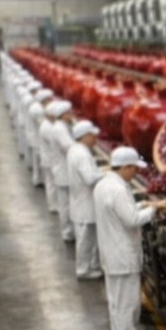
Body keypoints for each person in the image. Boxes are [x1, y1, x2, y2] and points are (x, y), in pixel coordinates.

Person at [94, 146, 166, 330]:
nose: (136, 173)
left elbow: (120, 211)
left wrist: (144, 204)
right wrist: (154, 210)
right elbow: (132, 220)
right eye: (134, 169)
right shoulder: (118, 189)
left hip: (112, 254)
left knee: (117, 304)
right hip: (122, 257)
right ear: (126, 167)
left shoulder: (104, 184)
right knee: (127, 305)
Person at [65, 120, 105, 279]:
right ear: (85, 136)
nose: (95, 139)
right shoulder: (82, 154)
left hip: (80, 200)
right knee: (85, 239)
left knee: (88, 238)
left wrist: (100, 170)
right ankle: (83, 269)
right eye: (92, 135)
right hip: (85, 204)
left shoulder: (76, 150)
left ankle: (91, 265)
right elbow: (89, 178)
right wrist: (107, 174)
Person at [47, 100, 77, 242]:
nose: (71, 115)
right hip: (63, 172)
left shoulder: (62, 126)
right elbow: (69, 147)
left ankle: (69, 231)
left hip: (63, 170)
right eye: (69, 113)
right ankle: (67, 232)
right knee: (65, 205)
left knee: (66, 203)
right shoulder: (59, 129)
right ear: (63, 115)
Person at [27, 89, 52, 187]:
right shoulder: (38, 110)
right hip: (37, 138)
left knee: (37, 160)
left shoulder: (36, 106)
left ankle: (38, 179)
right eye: (49, 100)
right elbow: (42, 124)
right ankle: (38, 180)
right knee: (38, 161)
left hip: (35, 136)